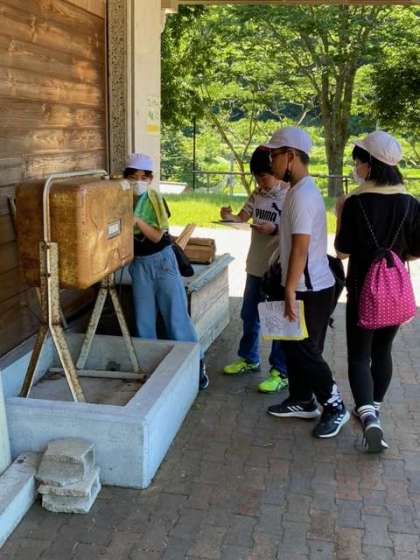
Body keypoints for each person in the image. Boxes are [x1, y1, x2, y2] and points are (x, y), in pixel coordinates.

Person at [335, 131, 420, 452]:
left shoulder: (355, 202)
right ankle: (375, 408)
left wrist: (340, 215)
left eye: (358, 161)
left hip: (362, 292)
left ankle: (368, 415)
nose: (356, 167)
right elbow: (417, 249)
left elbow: (342, 250)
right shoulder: (411, 203)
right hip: (394, 293)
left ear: (370, 164)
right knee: (383, 352)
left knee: (359, 356)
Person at [264, 127, 349, 439]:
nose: (270, 162)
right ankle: (302, 400)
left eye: (274, 156)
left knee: (305, 351)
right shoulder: (297, 190)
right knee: (292, 345)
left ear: (290, 157)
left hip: (308, 289)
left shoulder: (302, 195)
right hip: (300, 285)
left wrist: (289, 289)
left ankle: (335, 406)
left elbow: (301, 247)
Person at [124, 153, 209, 390]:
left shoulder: (154, 199)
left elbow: (156, 237)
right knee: (143, 322)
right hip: (139, 265)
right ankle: (149, 370)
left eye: (143, 177)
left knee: (176, 317)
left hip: (162, 262)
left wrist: (136, 222)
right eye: (132, 177)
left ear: (150, 179)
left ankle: (196, 365)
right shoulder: (120, 199)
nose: (137, 182)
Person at [221, 147, 289, 393]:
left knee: (276, 320)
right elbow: (243, 217)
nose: (261, 182)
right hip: (255, 266)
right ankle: (249, 359)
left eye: (264, 177)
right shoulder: (257, 193)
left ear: (277, 172)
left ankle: (280, 371)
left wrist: (275, 229)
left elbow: (298, 230)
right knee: (249, 315)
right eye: (257, 178)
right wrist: (229, 216)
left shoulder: (290, 194)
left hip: (277, 268)